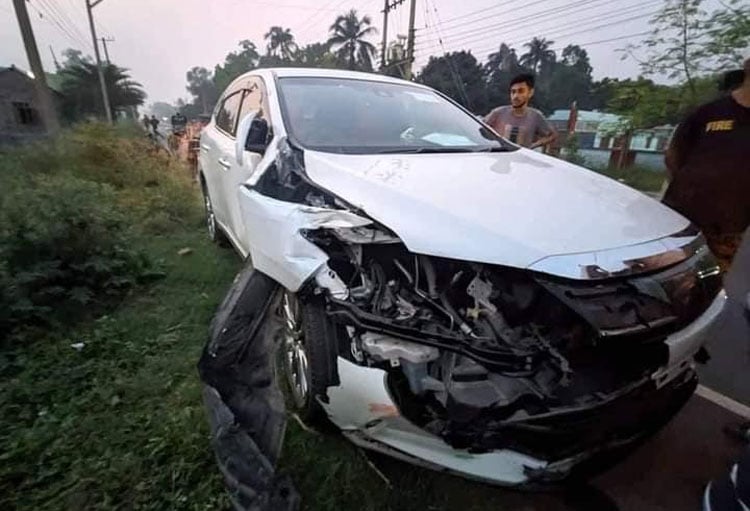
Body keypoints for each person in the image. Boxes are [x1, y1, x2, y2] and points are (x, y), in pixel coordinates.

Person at [663, 57, 750, 272]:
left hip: (731, 237)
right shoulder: (708, 113)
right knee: (658, 281)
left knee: (710, 294)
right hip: (678, 224)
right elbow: (673, 155)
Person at [484, 73, 557, 150]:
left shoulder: (535, 116)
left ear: (530, 93)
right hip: (500, 156)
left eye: (521, 91)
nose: (515, 96)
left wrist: (534, 145)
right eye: (513, 92)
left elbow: (552, 135)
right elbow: (479, 128)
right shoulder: (498, 113)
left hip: (521, 158)